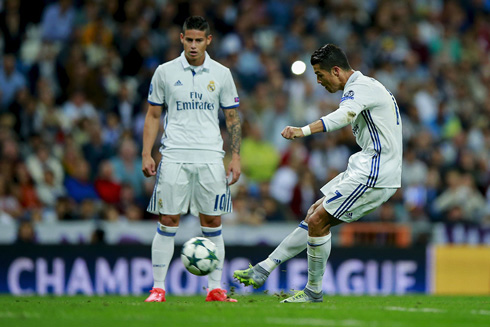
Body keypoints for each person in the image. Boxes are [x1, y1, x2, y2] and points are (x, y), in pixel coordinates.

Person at [234, 44, 402, 303]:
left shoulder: (360, 88)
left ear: (336, 70)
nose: (318, 81)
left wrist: (303, 130)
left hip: (375, 171)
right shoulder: (364, 87)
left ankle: (312, 290)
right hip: (365, 165)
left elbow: (343, 116)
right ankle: (263, 268)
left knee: (317, 221)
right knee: (315, 214)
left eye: (320, 74)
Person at [141, 16, 241, 303]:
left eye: (199, 40)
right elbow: (153, 115)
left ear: (209, 41)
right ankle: (158, 288)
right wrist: (147, 153)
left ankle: (215, 289)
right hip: (173, 155)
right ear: (181, 38)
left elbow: (232, 118)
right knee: (168, 219)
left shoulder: (221, 73)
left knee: (212, 220)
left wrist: (235, 157)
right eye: (189, 39)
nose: (194, 45)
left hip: (211, 156)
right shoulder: (164, 72)